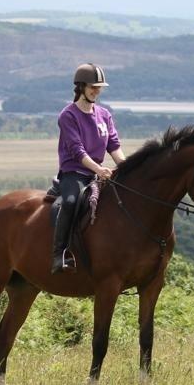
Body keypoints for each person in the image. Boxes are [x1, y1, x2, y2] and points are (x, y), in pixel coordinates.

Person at [52, 63, 126, 274]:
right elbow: (77, 151)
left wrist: (127, 168)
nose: (96, 91)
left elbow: (114, 146)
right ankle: (60, 254)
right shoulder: (68, 115)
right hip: (74, 173)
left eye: (99, 87)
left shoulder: (104, 115)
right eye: (93, 87)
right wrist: (99, 168)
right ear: (81, 87)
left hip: (97, 173)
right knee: (70, 202)